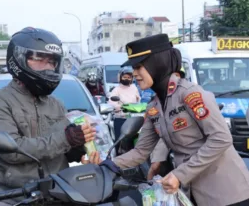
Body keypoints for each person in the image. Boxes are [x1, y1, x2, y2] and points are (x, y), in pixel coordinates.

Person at [88, 34, 249, 206]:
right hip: (192, 194)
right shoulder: (154, 106)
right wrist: (107, 164)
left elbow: (221, 138)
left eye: (139, 67)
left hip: (227, 192)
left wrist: (180, 174)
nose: (134, 74)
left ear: (157, 63)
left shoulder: (190, 94)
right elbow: (141, 152)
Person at [0, 27, 97, 206]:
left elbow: (62, 151)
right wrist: (66, 139)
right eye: (38, 59)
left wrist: (82, 146)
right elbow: (13, 153)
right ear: (18, 59)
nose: (48, 67)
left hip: (58, 193)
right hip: (13, 197)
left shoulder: (56, 104)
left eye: (52, 61)